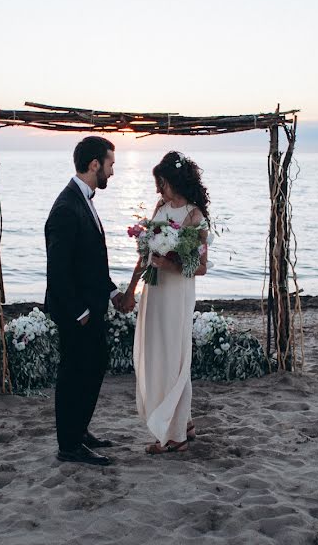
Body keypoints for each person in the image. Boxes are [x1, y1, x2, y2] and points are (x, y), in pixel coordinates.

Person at [45, 136, 126, 466]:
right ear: (95, 164)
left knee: (93, 367)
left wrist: (112, 292)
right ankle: (69, 445)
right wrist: (79, 312)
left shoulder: (84, 200)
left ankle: (79, 430)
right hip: (76, 312)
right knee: (74, 374)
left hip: (91, 306)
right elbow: (58, 269)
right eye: (110, 165)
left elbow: (90, 262)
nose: (112, 172)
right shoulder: (66, 208)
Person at [122, 151, 210, 454]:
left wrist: (169, 264)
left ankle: (175, 437)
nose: (159, 189)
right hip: (155, 290)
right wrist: (133, 287)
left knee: (175, 355)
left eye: (162, 182)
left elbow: (201, 267)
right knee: (159, 352)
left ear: (173, 180)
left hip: (177, 293)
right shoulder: (160, 207)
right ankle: (183, 422)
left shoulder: (195, 217)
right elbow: (144, 252)